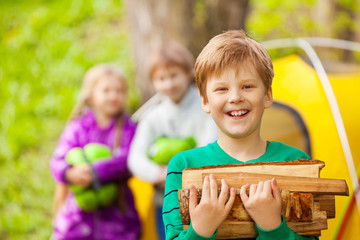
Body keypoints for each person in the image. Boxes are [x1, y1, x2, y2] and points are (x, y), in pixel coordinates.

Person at [163, 30, 319, 240]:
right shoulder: (183, 166)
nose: (235, 97)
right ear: (205, 101)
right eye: (222, 89)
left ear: (268, 95)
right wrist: (201, 229)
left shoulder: (296, 163)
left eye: (247, 86)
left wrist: (272, 226)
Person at [128, 41, 218, 240]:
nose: (168, 84)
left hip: (203, 199)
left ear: (188, 73)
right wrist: (159, 173)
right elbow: (135, 158)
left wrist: (176, 170)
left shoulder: (206, 107)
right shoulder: (153, 116)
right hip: (165, 202)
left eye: (174, 75)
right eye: (161, 78)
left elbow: (209, 146)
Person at [50, 64, 141, 240]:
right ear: (90, 96)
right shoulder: (77, 127)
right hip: (77, 220)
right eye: (106, 90)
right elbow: (57, 160)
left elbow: (130, 159)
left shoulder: (130, 128)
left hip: (118, 219)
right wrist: (69, 172)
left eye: (120, 90)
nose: (114, 95)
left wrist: (96, 172)